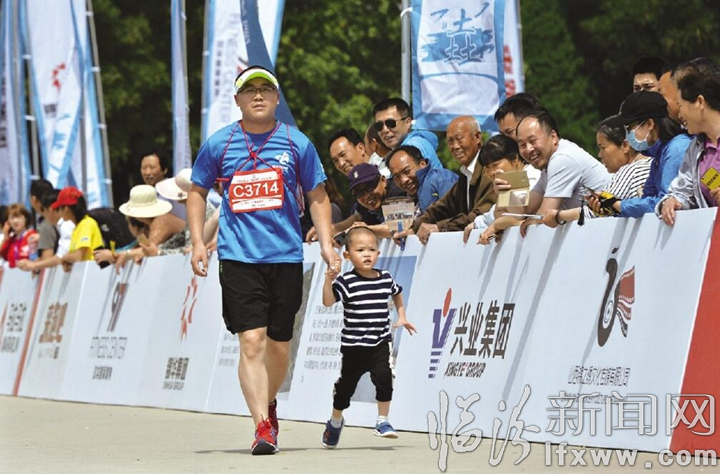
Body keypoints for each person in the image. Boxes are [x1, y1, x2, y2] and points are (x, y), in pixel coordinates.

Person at [187, 65, 339, 455]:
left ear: (276, 98)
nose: (258, 95)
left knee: (279, 346)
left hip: (285, 256)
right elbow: (197, 191)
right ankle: (262, 426)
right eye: (249, 90)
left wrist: (326, 243)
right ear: (237, 100)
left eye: (265, 89)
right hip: (238, 257)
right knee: (252, 341)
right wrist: (198, 242)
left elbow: (318, 196)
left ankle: (268, 402)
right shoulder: (220, 143)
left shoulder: (296, 142)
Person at [320, 227, 416, 448]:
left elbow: (397, 292)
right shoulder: (346, 281)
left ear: (378, 254)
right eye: (360, 250)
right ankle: (335, 421)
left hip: (380, 343)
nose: (367, 254)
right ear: (347, 255)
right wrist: (328, 281)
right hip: (353, 347)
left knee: (384, 377)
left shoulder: (385, 278)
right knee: (345, 389)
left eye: (372, 250)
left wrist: (402, 315)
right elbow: (328, 302)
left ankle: (382, 421)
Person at [494, 110, 611, 236]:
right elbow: (523, 211)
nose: (528, 149)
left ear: (553, 137)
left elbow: (544, 216)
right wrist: (506, 189)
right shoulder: (548, 166)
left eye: (533, 141)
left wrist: (517, 222)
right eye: (522, 145)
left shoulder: (562, 159)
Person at [394, 116, 495, 245]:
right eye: (450, 141)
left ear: (477, 137)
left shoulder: (490, 170)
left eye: (459, 139)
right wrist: (412, 229)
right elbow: (442, 207)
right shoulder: (466, 174)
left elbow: (481, 216)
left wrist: (440, 227)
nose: (455, 146)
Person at [543, 116, 652, 226]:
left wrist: (558, 216)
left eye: (603, 147)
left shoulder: (630, 170)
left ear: (625, 146)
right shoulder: (652, 163)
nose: (600, 155)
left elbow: (597, 212)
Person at [598, 91, 690, 217]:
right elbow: (647, 198)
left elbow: (664, 202)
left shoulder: (676, 150)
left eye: (629, 128)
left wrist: (619, 205)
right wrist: (613, 207)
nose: (627, 135)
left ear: (649, 124)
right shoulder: (658, 156)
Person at [659, 59, 720, 225]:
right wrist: (672, 201)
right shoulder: (695, 148)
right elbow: (682, 190)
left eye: (680, 105)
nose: (680, 115)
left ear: (699, 102)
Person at [463, 134, 541, 244]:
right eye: (487, 167)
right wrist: (477, 224)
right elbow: (497, 213)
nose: (491, 172)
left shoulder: (534, 177)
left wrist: (496, 224)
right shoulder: (506, 183)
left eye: (496, 164)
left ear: (515, 159)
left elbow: (518, 216)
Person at [372, 98, 444, 169]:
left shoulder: (413, 146)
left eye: (390, 123)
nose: (385, 130)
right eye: (379, 126)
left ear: (407, 123)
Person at [385, 145, 458, 213]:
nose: (404, 180)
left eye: (407, 171)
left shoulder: (441, 180)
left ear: (422, 164)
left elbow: (455, 216)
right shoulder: (412, 195)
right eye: (397, 177)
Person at [17, 189, 76, 272]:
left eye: (44, 213)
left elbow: (60, 258)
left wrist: (34, 265)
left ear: (50, 211)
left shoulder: (66, 226)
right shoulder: (63, 225)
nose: (45, 218)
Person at [140, 151, 187, 246]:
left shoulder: (169, 191)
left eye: (152, 167)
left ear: (164, 170)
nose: (147, 172)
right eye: (144, 168)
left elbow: (162, 223)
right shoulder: (148, 193)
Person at [51, 187, 103, 271]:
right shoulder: (78, 227)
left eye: (59, 208)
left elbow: (78, 256)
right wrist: (67, 261)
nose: (59, 212)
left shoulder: (86, 224)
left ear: (66, 209)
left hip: (93, 273)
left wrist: (64, 258)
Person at [0, 204, 38, 268]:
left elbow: (35, 258)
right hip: (12, 272)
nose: (15, 221)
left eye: (18, 217)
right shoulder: (10, 240)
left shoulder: (32, 235)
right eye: (12, 218)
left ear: (25, 218)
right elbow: (2, 256)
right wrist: (5, 237)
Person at [29, 179, 58, 261]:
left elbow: (47, 259)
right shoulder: (59, 219)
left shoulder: (46, 225)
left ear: (33, 199)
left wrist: (33, 265)